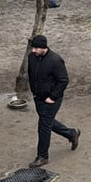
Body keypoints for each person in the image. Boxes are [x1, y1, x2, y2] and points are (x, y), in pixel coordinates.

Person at [25, 35, 80, 167]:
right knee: (48, 122)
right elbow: (31, 74)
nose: (33, 51)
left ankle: (42, 156)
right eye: (33, 48)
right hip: (38, 97)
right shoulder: (32, 57)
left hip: (51, 99)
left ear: (44, 47)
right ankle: (72, 134)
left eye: (36, 48)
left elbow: (63, 80)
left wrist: (53, 97)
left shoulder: (55, 60)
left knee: (43, 126)